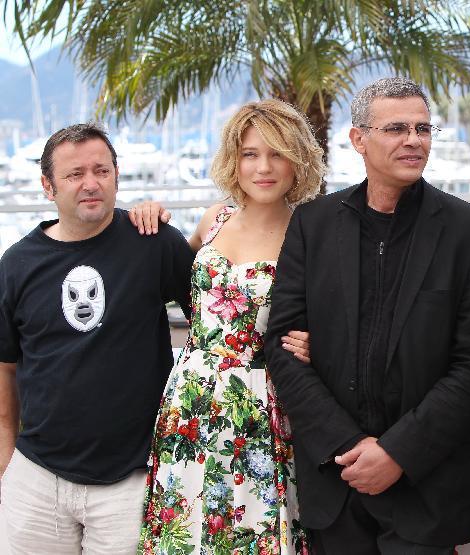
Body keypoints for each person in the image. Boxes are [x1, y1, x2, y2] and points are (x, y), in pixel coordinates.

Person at [260, 77, 470, 554]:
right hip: (337, 481)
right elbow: (282, 346)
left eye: (422, 128)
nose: (413, 140)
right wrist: (347, 445)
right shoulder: (312, 225)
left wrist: (396, 453)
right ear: (358, 139)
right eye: (396, 128)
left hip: (430, 487)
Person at [136, 99, 325, 554]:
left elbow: (342, 312)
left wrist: (322, 343)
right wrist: (146, 214)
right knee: (186, 529)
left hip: (260, 405)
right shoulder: (214, 219)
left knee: (252, 529)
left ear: (298, 159)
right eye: (249, 154)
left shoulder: (310, 233)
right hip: (190, 398)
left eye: (277, 153)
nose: (263, 167)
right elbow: (169, 271)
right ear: (232, 160)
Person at [0, 123, 193, 553]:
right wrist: (6, 463)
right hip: (37, 477)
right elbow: (5, 366)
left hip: (131, 479)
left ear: (117, 176)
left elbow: (216, 312)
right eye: (74, 175)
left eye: (102, 171)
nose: (91, 183)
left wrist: (214, 216)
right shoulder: (16, 266)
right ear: (48, 186)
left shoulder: (153, 243)